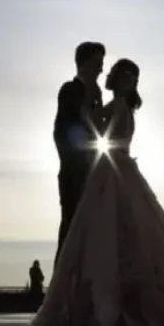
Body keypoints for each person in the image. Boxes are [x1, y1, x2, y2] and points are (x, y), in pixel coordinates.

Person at [28, 58, 164, 326]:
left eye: (124, 75)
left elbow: (96, 129)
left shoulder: (118, 105)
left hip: (111, 169)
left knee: (104, 235)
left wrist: (89, 105)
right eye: (123, 75)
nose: (119, 78)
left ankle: (106, 305)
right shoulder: (126, 108)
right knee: (129, 235)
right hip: (123, 168)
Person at [53, 41, 105, 266]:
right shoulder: (69, 90)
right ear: (83, 64)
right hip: (74, 175)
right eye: (97, 63)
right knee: (71, 231)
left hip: (92, 174)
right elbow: (61, 133)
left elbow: (100, 132)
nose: (101, 69)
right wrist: (78, 161)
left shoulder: (95, 95)